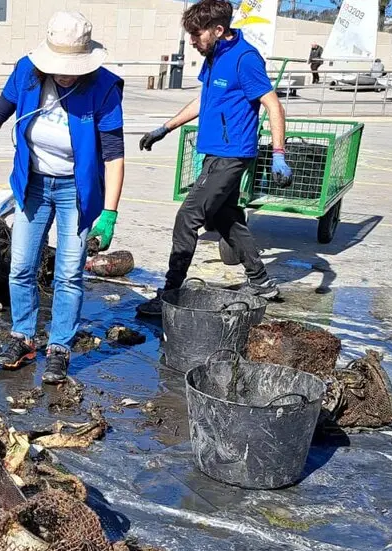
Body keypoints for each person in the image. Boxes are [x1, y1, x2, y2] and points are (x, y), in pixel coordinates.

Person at [0, 10, 126, 384]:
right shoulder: (27, 72)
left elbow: (114, 156)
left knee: (68, 273)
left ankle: (60, 347)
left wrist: (109, 213)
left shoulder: (104, 88)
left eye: (73, 67)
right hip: (33, 184)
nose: (65, 73)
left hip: (75, 191)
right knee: (21, 265)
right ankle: (23, 336)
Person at [135, 0, 291, 316]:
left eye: (197, 34)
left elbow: (273, 104)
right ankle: (261, 282)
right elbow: (205, 99)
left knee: (187, 217)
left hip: (230, 155)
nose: (192, 41)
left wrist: (278, 154)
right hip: (216, 153)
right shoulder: (214, 55)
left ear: (218, 30)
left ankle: (170, 293)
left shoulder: (244, 59)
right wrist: (165, 128)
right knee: (224, 218)